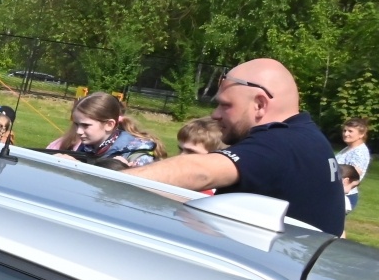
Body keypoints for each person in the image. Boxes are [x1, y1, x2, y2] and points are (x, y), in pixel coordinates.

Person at [137, 58, 345, 235]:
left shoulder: (279, 143)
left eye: (226, 105)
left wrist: (113, 179)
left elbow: (201, 173)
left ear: (260, 105)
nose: (215, 114)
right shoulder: (305, 137)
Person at [68, 92, 164, 168]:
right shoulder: (88, 147)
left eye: (86, 125)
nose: (78, 131)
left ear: (109, 125)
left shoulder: (137, 158)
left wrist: (123, 171)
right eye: (76, 124)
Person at [336, 118, 370, 206]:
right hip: (337, 193)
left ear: (361, 134)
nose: (346, 134)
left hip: (344, 196)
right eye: (344, 130)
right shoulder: (349, 149)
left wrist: (347, 187)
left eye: (350, 131)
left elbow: (354, 176)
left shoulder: (359, 152)